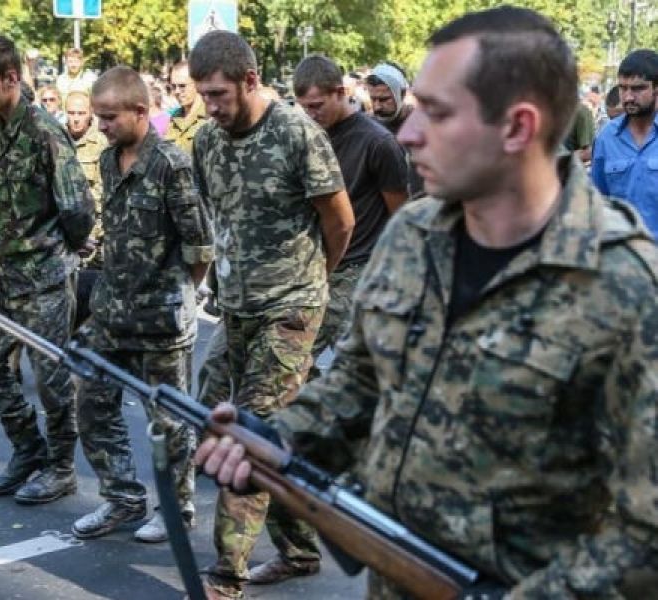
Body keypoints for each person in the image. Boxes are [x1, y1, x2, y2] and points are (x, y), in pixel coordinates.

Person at [196, 7, 658, 598]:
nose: (409, 134)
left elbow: (645, 531)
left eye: (437, 114)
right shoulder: (414, 235)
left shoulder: (624, 284)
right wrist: (279, 438)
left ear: (517, 127)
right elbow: (359, 383)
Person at [190, 30, 354, 599]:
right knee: (221, 414)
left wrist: (311, 284)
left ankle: (225, 576)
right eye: (203, 96)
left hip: (290, 308)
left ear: (251, 81)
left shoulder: (296, 133)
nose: (211, 107)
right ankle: (300, 548)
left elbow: (340, 220)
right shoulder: (207, 141)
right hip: (236, 307)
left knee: (251, 435)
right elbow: (220, 217)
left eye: (218, 95)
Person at [71, 66, 213, 544]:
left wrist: (179, 293)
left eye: (110, 117)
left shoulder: (172, 164)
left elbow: (199, 245)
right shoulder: (109, 160)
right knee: (91, 403)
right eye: (98, 117)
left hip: (161, 318)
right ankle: (122, 498)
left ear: (140, 111)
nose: (102, 125)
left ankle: (175, 510)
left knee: (168, 422)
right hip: (112, 311)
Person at [0, 34, 94, 504]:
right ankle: (28, 448)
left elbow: (78, 209)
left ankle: (60, 468)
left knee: (52, 380)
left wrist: (64, 252)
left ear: (11, 78)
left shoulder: (45, 133)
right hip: (3, 274)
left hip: (45, 277)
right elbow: (4, 198)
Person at [293, 55, 408, 377]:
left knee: (357, 372)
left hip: (357, 271)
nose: (311, 114)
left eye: (317, 105)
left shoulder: (378, 142)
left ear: (341, 92)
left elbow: (401, 217)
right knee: (290, 364)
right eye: (305, 107)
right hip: (315, 268)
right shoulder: (307, 136)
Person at [592, 49, 658, 239]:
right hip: (623, 252)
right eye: (623, 88)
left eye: (638, 89)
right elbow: (598, 202)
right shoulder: (606, 138)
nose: (628, 97)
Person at [64, 90, 108, 326]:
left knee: (92, 303)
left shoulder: (102, 143)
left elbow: (103, 194)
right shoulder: (56, 139)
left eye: (81, 113)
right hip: (63, 235)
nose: (76, 119)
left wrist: (90, 234)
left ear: (91, 113)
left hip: (93, 237)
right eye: (71, 113)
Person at [366, 63, 424, 197]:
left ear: (401, 94)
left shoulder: (423, 125)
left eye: (384, 99)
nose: (377, 107)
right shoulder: (367, 127)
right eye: (373, 99)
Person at [165, 61, 207, 154]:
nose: (177, 91)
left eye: (182, 86)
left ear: (197, 84)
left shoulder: (210, 117)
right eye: (173, 86)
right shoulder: (174, 117)